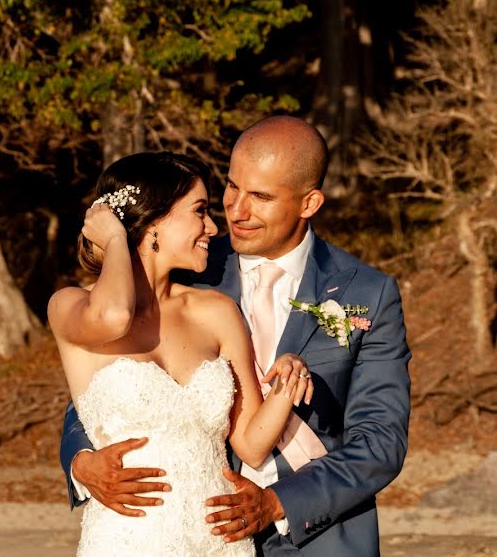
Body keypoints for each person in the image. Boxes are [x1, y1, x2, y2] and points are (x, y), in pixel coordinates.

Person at [59, 116, 411, 556]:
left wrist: (277, 503)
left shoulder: (367, 293)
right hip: (179, 527)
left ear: (309, 202)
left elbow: (380, 439)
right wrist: (80, 462)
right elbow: (100, 389)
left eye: (260, 197)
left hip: (316, 534)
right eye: (231, 187)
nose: (235, 211)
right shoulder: (191, 265)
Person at [48, 151, 315, 557]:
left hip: (219, 541)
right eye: (199, 211)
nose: (212, 226)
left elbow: (251, 444)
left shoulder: (216, 312)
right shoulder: (70, 306)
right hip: (128, 541)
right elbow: (116, 316)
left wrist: (287, 384)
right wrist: (118, 238)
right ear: (153, 222)